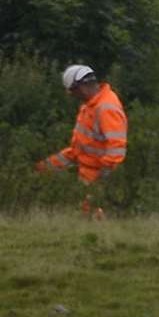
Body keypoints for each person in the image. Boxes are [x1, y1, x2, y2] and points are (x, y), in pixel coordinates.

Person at [37, 64, 127, 216]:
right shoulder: (90, 105)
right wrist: (44, 167)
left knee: (92, 217)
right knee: (85, 216)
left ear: (82, 87)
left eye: (72, 91)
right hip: (88, 174)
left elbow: (116, 150)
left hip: (97, 176)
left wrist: (102, 179)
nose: (71, 95)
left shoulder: (106, 108)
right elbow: (78, 150)